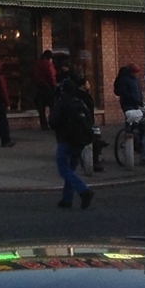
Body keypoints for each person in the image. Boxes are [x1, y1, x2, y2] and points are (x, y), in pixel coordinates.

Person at [49, 76, 95, 209]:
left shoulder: (61, 102)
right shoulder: (79, 102)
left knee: (63, 168)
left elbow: (53, 121)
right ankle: (67, 199)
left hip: (65, 139)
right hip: (79, 140)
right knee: (71, 169)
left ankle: (84, 191)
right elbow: (89, 119)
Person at [74, 74, 104, 172]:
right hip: (85, 121)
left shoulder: (81, 95)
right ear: (82, 86)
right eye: (87, 83)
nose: (89, 85)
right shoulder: (83, 96)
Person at [32, 50, 58, 130]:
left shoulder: (37, 63)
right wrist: (54, 84)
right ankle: (53, 123)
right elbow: (51, 75)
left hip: (39, 87)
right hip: (48, 88)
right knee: (53, 106)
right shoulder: (48, 64)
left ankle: (44, 125)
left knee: (41, 108)